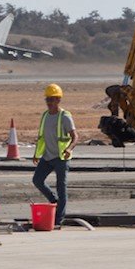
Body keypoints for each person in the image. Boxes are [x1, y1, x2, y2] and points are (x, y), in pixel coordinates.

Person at [32, 83, 77, 227]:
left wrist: (69, 148)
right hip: (47, 156)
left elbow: (75, 136)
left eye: (52, 100)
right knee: (37, 180)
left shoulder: (65, 117)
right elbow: (42, 137)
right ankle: (54, 201)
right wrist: (37, 154)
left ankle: (58, 219)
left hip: (61, 158)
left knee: (61, 187)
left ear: (58, 100)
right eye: (47, 100)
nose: (49, 103)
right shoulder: (45, 116)